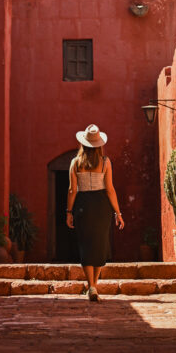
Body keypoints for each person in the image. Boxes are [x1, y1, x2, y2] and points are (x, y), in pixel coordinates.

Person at [66, 124, 124, 301]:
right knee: (100, 244)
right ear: (99, 144)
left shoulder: (75, 163)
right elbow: (110, 189)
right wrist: (118, 213)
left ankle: (91, 285)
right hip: (101, 206)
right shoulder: (106, 162)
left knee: (86, 244)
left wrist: (69, 211)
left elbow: (72, 190)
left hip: (83, 205)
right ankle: (94, 286)